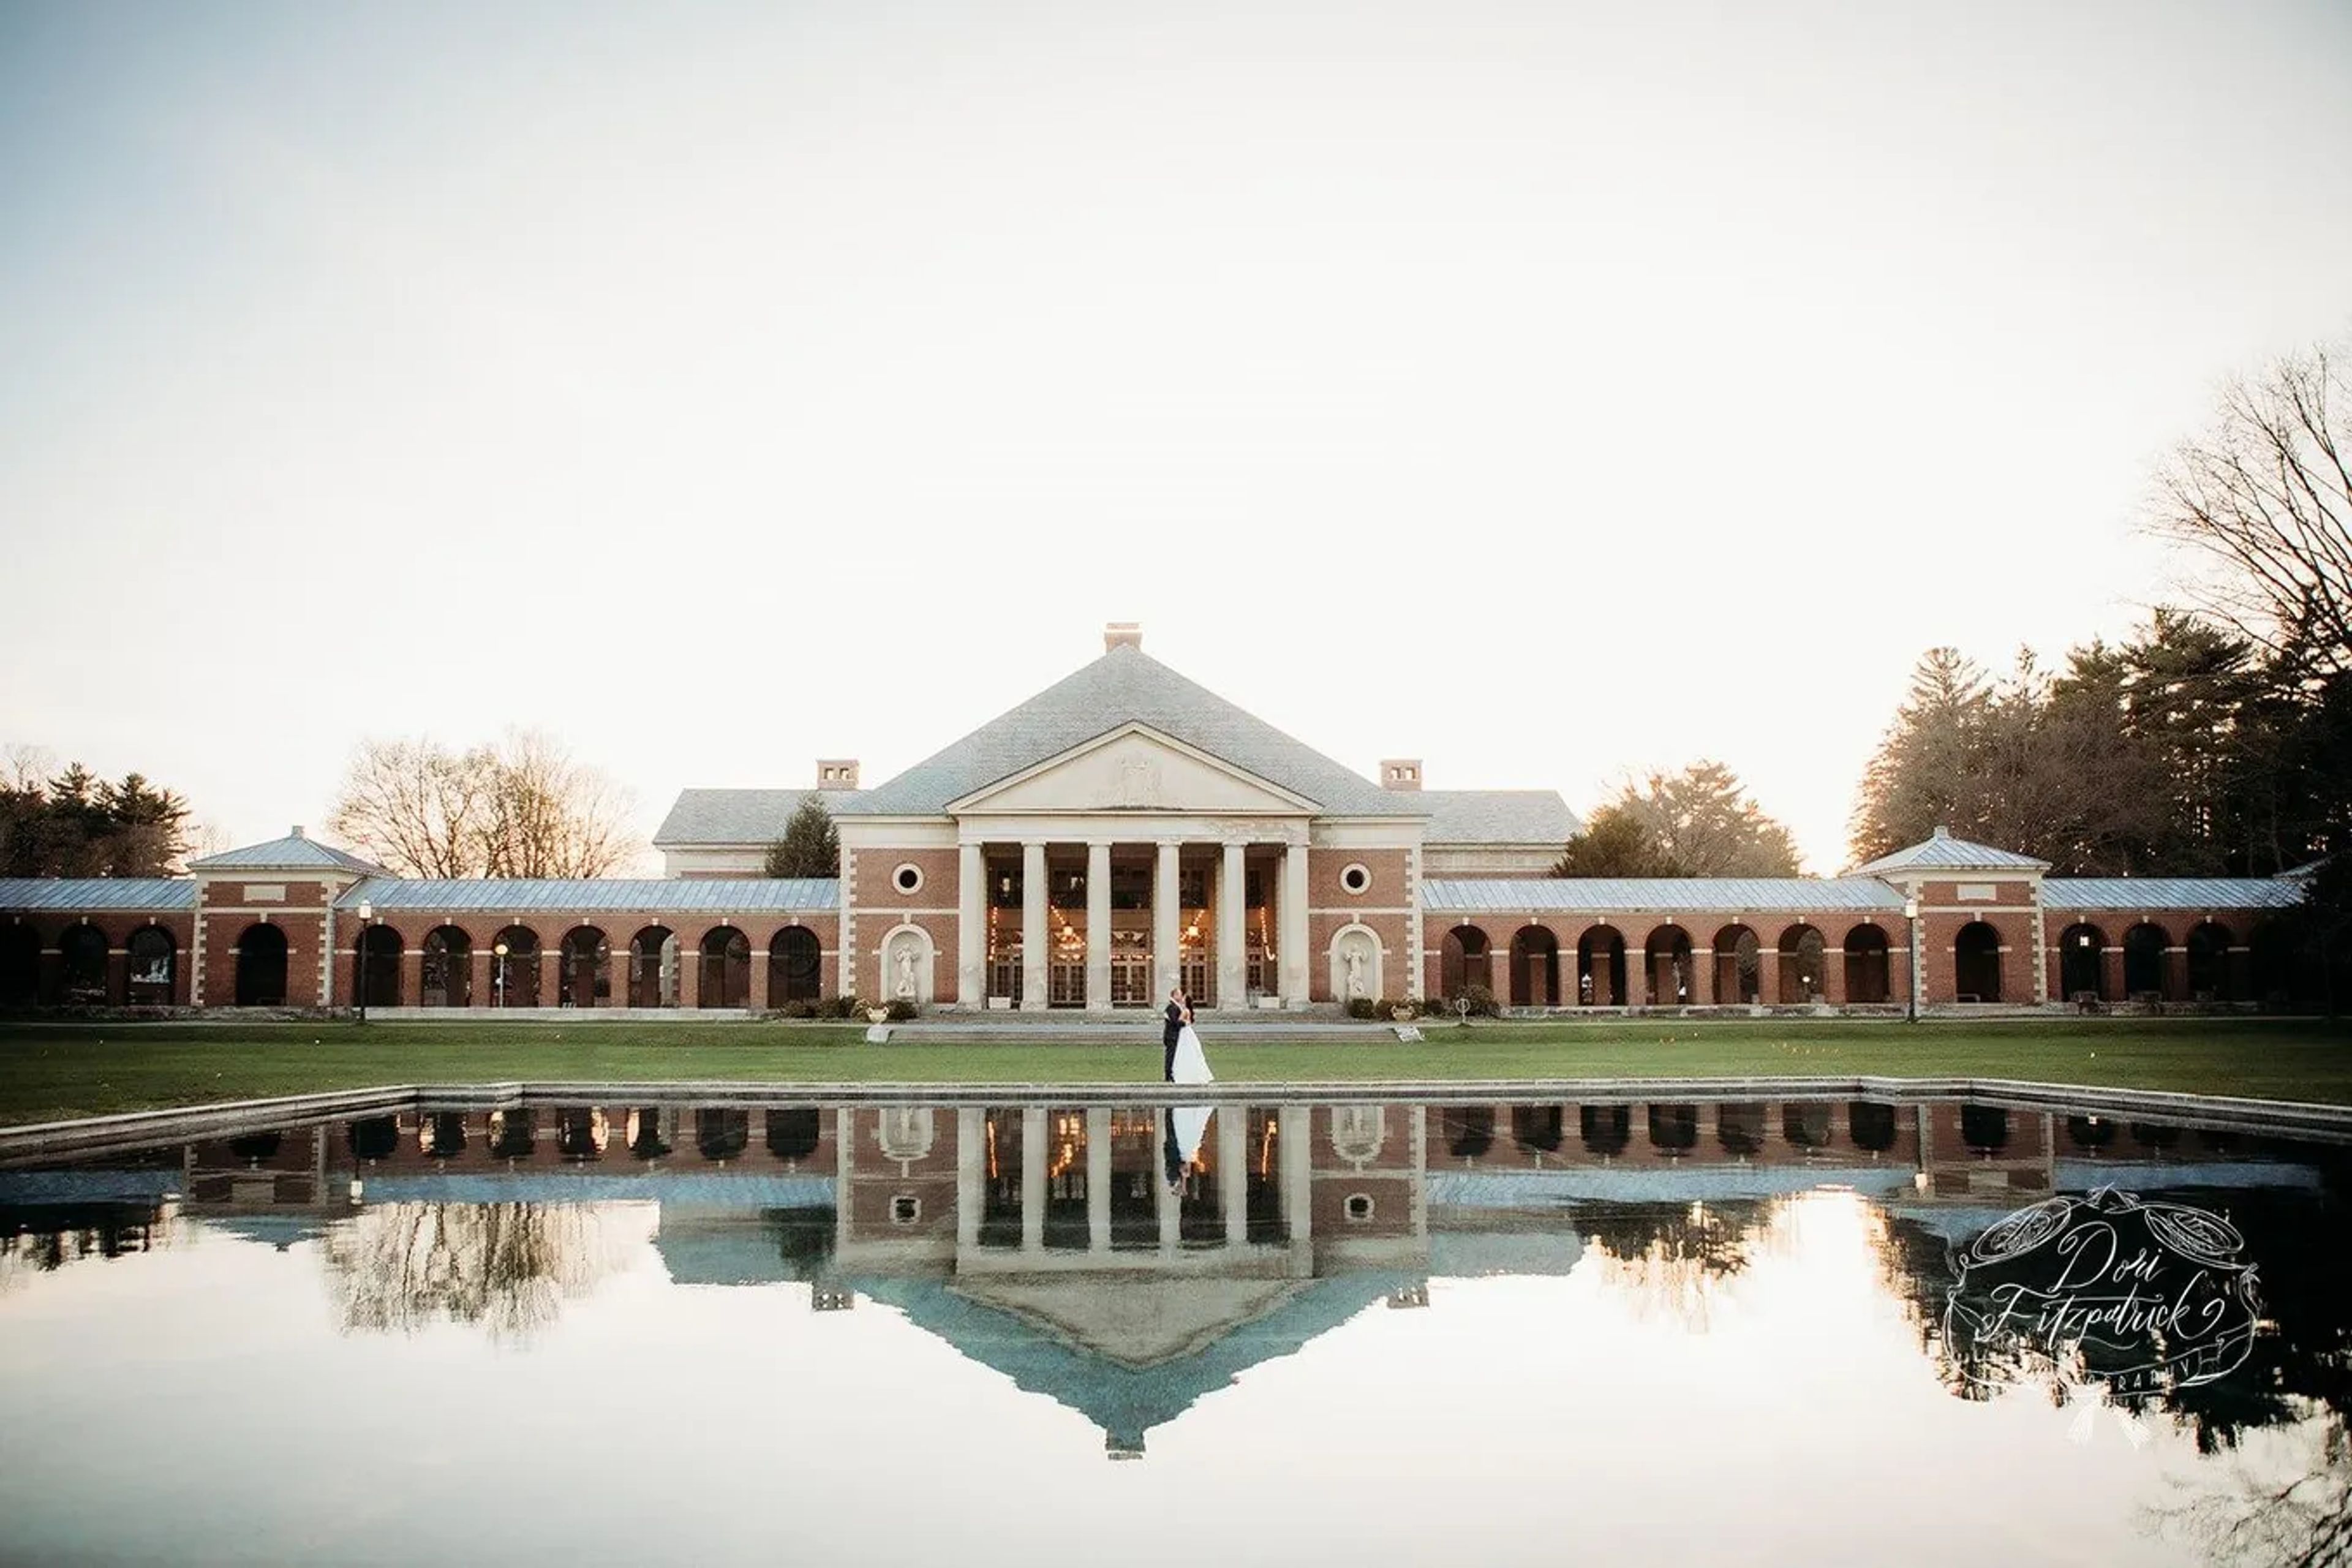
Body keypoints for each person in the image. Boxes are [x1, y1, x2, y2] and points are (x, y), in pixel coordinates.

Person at [1161, 986, 1186, 1082]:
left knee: (1173, 1056)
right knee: (1170, 1056)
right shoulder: (1172, 1007)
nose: (1181, 997)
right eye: (1179, 995)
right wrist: (1184, 1023)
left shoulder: (1175, 1007)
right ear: (1175, 995)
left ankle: (1171, 1074)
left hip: (1173, 1036)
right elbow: (1174, 1022)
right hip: (1171, 1036)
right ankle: (1168, 1075)